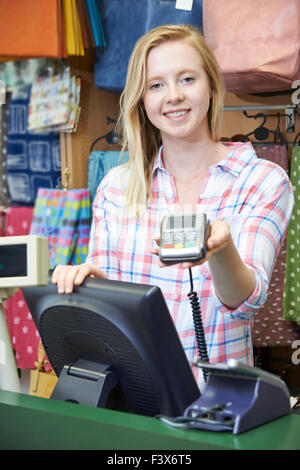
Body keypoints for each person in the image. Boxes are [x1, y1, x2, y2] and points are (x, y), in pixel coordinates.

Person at [52, 24, 294, 391]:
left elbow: (247, 301)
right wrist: (93, 287)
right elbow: (112, 311)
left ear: (211, 86)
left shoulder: (263, 181)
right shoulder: (116, 187)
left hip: (219, 409)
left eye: (187, 79)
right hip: (134, 398)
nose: (174, 96)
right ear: (142, 99)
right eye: (156, 85)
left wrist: (221, 250)